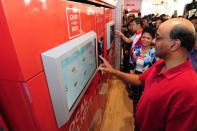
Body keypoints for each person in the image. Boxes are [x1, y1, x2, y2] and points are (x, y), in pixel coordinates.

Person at [99, 18, 197, 130]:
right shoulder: (160, 64)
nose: (154, 41)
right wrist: (113, 71)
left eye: (158, 38)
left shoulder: (189, 88)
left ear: (174, 45)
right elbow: (139, 79)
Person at [129, 27, 158, 117]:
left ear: (153, 39)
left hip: (148, 81)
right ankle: (136, 117)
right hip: (135, 78)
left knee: (145, 103)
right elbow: (131, 63)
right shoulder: (136, 49)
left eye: (148, 38)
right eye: (143, 37)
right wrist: (131, 78)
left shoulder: (155, 52)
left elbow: (157, 69)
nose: (145, 40)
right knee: (135, 101)